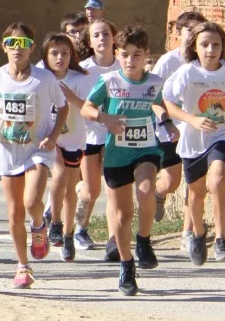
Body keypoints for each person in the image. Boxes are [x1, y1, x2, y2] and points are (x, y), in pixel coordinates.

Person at [82, 25, 166, 296]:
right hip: (117, 153)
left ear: (146, 56)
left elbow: (162, 104)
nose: (131, 61)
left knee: (145, 191)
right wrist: (104, 118)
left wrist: (167, 121)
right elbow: (87, 107)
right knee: (121, 215)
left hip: (146, 149)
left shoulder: (155, 82)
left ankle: (143, 240)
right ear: (118, 55)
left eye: (137, 55)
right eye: (126, 55)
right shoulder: (109, 82)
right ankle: (126, 264)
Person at [163, 21, 225, 264]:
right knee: (196, 192)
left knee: (218, 178)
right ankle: (199, 234)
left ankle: (222, 240)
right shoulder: (187, 72)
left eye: (216, 44)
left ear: (223, 47)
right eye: (205, 45)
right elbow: (167, 102)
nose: (211, 50)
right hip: (193, 138)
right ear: (195, 47)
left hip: (223, 133)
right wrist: (191, 119)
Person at [0, 25, 66, 288]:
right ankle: (23, 266)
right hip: (8, 149)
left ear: (32, 48)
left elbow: (63, 107)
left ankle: (38, 225)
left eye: (23, 42)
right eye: (11, 42)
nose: (17, 47)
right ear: (4, 46)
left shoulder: (44, 79)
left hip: (38, 149)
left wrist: (54, 135)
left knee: (32, 200)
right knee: (13, 213)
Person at [153, 10, 207, 247]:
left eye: (198, 31)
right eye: (188, 31)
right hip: (169, 129)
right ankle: (158, 193)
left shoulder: (204, 62)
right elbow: (153, 95)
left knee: (194, 182)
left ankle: (188, 231)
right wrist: (165, 121)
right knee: (172, 181)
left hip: (195, 130)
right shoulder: (169, 61)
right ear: (177, 32)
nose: (192, 36)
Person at [42, 32, 95, 262]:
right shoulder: (39, 77)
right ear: (45, 56)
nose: (60, 58)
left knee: (70, 188)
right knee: (59, 176)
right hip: (48, 138)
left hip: (73, 138)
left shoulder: (81, 79)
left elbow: (89, 109)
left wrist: (72, 98)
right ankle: (54, 221)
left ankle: (68, 234)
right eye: (54, 53)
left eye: (64, 53)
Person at [77, 17, 119, 258]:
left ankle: (114, 239)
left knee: (113, 187)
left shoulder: (124, 66)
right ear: (90, 42)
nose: (102, 38)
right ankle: (80, 226)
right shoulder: (84, 70)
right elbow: (77, 103)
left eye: (105, 33)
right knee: (92, 191)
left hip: (116, 135)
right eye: (96, 35)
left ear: (114, 37)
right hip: (90, 134)